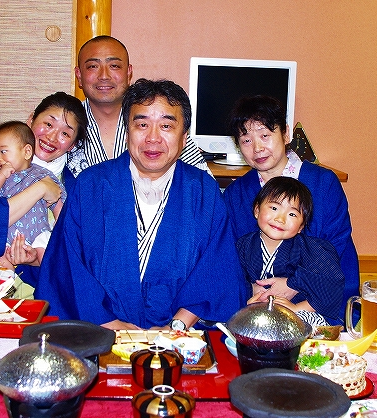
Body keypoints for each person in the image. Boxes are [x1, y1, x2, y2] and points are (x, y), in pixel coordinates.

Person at [35, 78, 248, 330]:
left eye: (166, 126)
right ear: (127, 131)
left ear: (184, 138)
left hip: (179, 337)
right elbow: (67, 266)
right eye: (142, 124)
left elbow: (216, 268)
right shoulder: (91, 185)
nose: (152, 138)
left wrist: (176, 327)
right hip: (99, 332)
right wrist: (110, 325)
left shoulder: (203, 191)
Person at [222, 95, 359, 326]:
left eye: (265, 135)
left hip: (316, 302)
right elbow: (229, 255)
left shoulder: (323, 183)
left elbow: (336, 245)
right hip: (256, 303)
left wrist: (293, 284)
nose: (257, 148)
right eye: (246, 140)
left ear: (285, 134)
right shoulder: (236, 194)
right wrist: (252, 289)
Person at [0, 92, 88, 296]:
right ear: (31, 119)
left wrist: (34, 259)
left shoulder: (73, 186)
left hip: (42, 301)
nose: (52, 137)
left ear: (72, 144)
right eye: (48, 124)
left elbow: (69, 250)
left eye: (65, 134)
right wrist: (40, 189)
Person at [67, 35, 209, 176]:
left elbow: (202, 181)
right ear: (79, 75)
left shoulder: (163, 122)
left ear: (128, 72)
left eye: (114, 66)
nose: (104, 76)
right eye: (93, 66)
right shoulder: (64, 125)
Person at [237, 176, 345, 327]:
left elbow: (330, 285)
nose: (280, 219)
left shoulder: (310, 248)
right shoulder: (243, 245)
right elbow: (232, 280)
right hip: (255, 312)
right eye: (274, 208)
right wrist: (249, 290)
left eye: (292, 214)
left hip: (297, 315)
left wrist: (296, 307)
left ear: (301, 226)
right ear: (257, 210)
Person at [0, 120, 66, 271]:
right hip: (4, 236)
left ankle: (49, 282)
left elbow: (58, 205)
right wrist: (1, 175)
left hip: (37, 233)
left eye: (3, 151)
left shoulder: (42, 175)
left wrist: (59, 227)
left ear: (27, 152)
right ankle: (3, 284)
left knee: (49, 255)